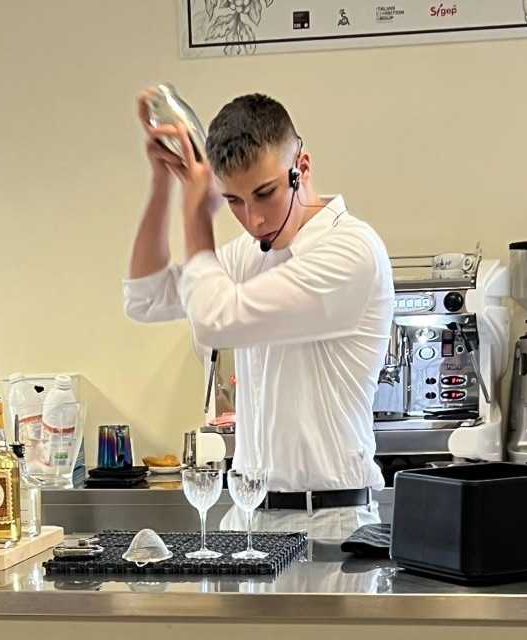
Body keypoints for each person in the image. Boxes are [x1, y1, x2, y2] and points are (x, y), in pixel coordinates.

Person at [123, 89, 394, 538]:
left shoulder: (350, 249)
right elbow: (144, 299)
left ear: (301, 167)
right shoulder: (253, 254)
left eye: (265, 193)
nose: (253, 220)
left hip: (331, 523)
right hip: (248, 517)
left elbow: (217, 321)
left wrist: (198, 214)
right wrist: (163, 185)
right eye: (233, 200)